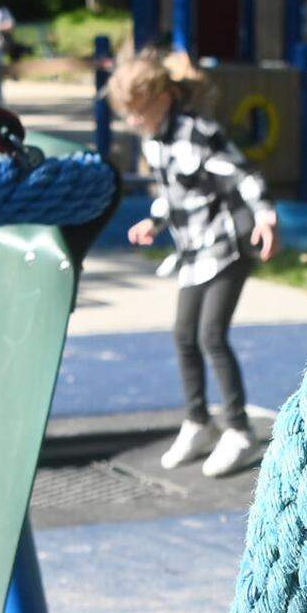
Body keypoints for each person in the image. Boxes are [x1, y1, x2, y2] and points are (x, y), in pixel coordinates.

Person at [113, 53, 278, 479]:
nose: (133, 120)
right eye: (128, 113)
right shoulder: (155, 141)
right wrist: (154, 221)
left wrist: (264, 215)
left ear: (165, 98)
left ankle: (239, 430)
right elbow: (174, 193)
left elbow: (244, 175)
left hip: (227, 246)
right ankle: (198, 421)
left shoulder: (199, 134)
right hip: (192, 252)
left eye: (139, 111)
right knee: (184, 335)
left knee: (210, 335)